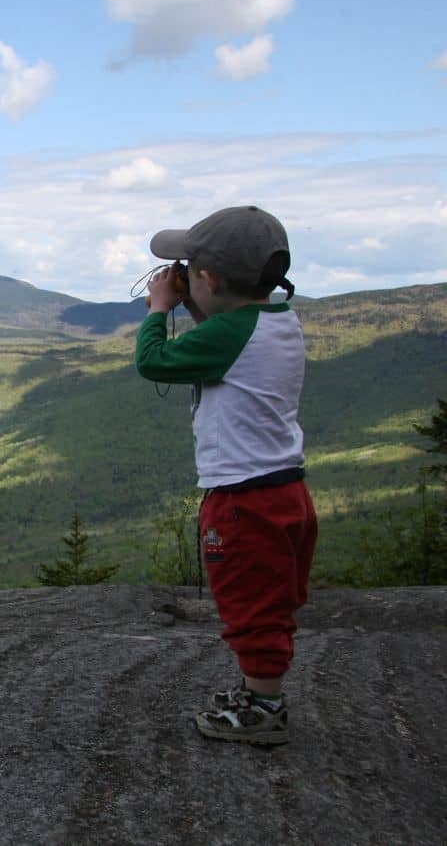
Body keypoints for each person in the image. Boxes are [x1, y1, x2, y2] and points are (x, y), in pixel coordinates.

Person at [134, 205, 318, 746]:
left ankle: (264, 711)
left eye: (188, 269)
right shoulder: (277, 320)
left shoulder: (226, 336)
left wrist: (158, 310)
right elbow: (229, 336)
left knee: (250, 604)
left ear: (209, 279)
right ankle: (259, 692)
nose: (180, 276)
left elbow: (155, 362)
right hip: (286, 491)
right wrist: (198, 303)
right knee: (271, 599)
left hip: (244, 501)